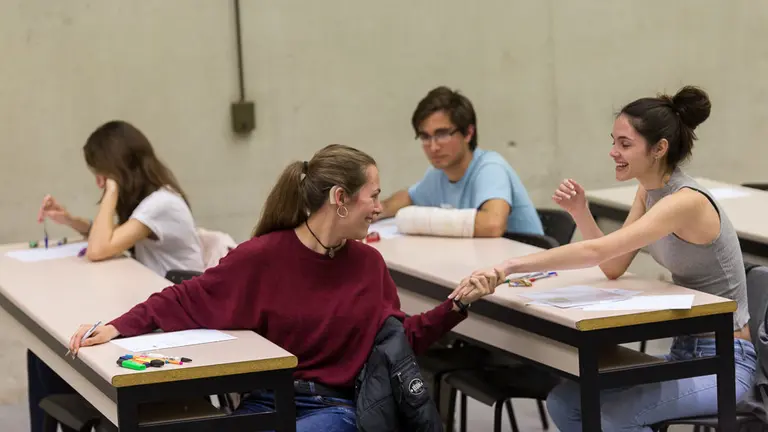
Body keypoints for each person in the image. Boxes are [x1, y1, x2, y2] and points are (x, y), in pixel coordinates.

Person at [67, 144, 500, 431]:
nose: (378, 207)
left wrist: (456, 305)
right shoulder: (263, 256)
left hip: (337, 410)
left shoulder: (369, 265)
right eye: (373, 196)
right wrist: (118, 327)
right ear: (339, 198)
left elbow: (398, 342)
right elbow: (185, 297)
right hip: (267, 402)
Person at [451, 86, 757, 431]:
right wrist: (581, 212)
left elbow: (598, 252)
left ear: (659, 149)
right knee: (566, 401)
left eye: (625, 144)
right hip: (684, 352)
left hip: (725, 362)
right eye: (613, 142)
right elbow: (612, 263)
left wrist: (507, 267)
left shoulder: (685, 201)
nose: (613, 152)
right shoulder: (649, 190)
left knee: (605, 416)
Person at [29, 120, 204, 432]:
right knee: (43, 352)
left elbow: (99, 249)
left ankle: (89, 411)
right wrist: (70, 220)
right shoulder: (150, 202)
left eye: (101, 173)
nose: (98, 181)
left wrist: (112, 189)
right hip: (148, 304)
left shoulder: (161, 203)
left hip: (173, 321)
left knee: (59, 353)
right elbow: (109, 238)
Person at [379, 86, 543, 238]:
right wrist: (373, 210)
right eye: (425, 137)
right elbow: (408, 197)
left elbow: (493, 225)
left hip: (530, 265)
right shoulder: (437, 174)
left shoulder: (490, 168)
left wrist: (424, 221)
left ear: (468, 133)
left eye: (442, 134)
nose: (433, 147)